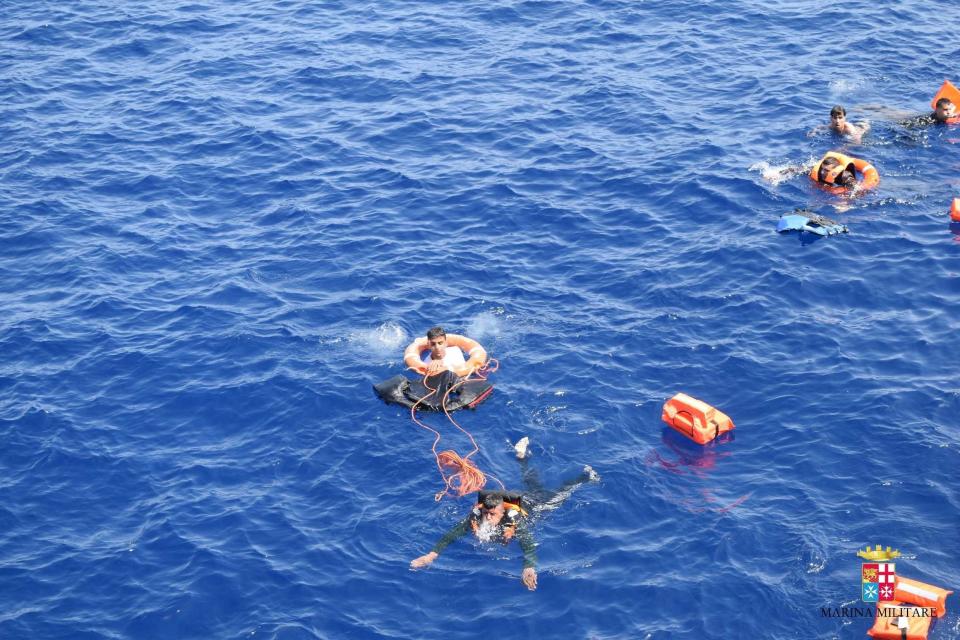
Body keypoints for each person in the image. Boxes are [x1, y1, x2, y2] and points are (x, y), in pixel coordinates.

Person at [410, 437, 600, 591]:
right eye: (486, 513)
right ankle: (522, 457)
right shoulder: (478, 515)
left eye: (492, 515)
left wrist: (528, 567)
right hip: (519, 498)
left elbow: (528, 544)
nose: (488, 518)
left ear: (502, 513)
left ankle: (584, 477)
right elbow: (453, 533)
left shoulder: (514, 520)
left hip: (535, 505)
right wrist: (431, 555)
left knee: (560, 495)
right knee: (532, 484)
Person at [403, 326, 487, 378]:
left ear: (446, 343)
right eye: (433, 344)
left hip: (465, 376)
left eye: (440, 343)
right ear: (428, 344)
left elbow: (467, 366)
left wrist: (441, 362)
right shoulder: (426, 363)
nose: (437, 347)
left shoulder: (455, 350)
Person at [809, 150, 879, 192]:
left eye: (827, 170)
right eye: (822, 169)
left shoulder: (846, 176)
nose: (822, 172)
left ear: (835, 170)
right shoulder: (818, 171)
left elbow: (855, 191)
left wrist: (844, 203)